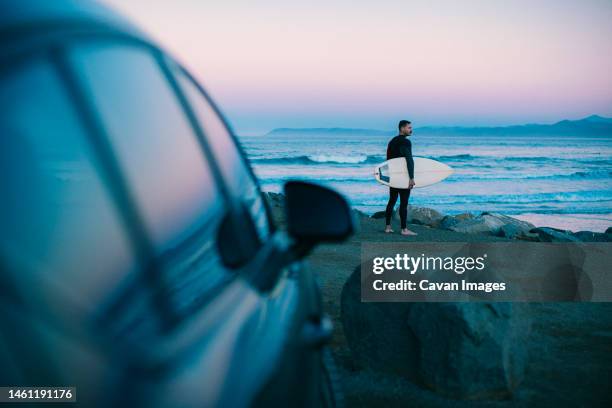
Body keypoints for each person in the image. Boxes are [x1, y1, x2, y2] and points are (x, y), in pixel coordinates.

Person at [384, 120, 417, 236]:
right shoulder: (406, 142)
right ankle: (404, 229)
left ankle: (388, 227)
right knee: (404, 203)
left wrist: (387, 177)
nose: (411, 130)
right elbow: (409, 159)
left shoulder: (392, 141)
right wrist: (411, 177)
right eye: (409, 127)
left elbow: (388, 160)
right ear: (402, 128)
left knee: (391, 201)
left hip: (393, 176)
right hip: (403, 177)